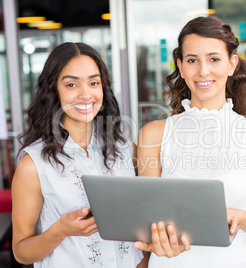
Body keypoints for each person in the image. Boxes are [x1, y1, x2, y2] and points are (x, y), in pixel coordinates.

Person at [136, 16, 246, 267]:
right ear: (181, 66)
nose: (203, 71)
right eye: (192, 60)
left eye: (214, 59)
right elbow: (145, 222)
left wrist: (242, 218)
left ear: (232, 64)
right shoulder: (153, 135)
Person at [11, 42, 181, 267]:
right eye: (71, 84)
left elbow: (147, 219)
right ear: (53, 90)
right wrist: (60, 231)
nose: (85, 94)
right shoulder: (33, 164)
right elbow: (21, 252)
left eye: (93, 83)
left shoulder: (126, 149)